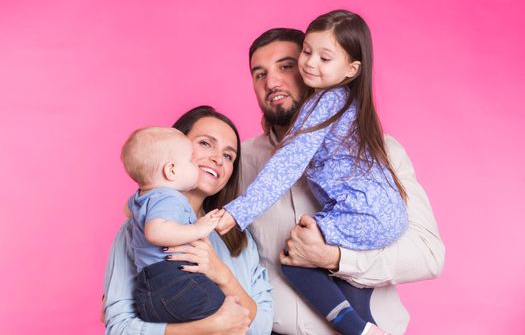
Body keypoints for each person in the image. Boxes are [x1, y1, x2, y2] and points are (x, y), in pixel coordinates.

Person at [230, 24, 445, 334]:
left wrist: (333, 258)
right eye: (259, 73)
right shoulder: (239, 160)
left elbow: (428, 256)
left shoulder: (379, 150)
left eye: (286, 66)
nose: (272, 82)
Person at [103, 106, 273, 334]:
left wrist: (222, 274)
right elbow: (119, 328)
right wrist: (206, 328)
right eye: (205, 143)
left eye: (228, 155)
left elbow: (262, 327)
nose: (217, 159)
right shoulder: (135, 232)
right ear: (172, 149)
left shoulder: (239, 239)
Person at [120, 126, 226, 323]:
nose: (195, 166)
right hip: (172, 280)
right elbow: (155, 232)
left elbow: (127, 211)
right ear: (171, 170)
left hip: (147, 290)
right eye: (190, 161)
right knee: (223, 307)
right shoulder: (168, 197)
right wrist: (198, 229)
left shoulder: (141, 197)